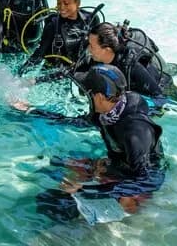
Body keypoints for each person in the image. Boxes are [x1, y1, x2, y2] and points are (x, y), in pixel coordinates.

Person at [32, 64, 165, 222]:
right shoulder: (110, 111)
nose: (85, 97)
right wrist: (32, 110)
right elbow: (78, 122)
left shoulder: (135, 132)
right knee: (53, 166)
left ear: (100, 97)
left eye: (88, 94)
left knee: (57, 206)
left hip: (139, 181)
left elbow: (147, 180)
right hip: (119, 166)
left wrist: (85, 190)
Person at [17, 0, 100, 78]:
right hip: (53, 73)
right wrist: (20, 73)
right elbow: (39, 54)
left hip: (78, 70)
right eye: (59, 3)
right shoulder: (53, 24)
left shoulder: (92, 19)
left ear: (78, 3)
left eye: (66, 3)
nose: (62, 7)